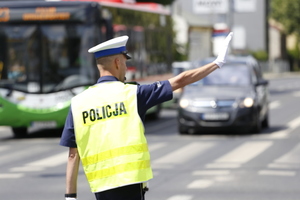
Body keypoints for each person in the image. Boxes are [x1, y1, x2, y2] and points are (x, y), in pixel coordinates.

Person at [60, 32, 233, 200]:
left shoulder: (78, 103)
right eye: (126, 63)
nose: (127, 68)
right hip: (131, 182)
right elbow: (180, 80)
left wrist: (70, 196)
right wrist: (216, 63)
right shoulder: (133, 94)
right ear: (117, 62)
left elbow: (73, 155)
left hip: (101, 185)